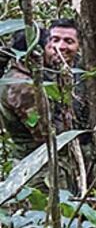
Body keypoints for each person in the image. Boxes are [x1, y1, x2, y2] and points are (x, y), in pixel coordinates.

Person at [1, 20, 80, 171]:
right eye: (50, 43)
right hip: (38, 168)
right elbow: (47, 134)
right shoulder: (22, 86)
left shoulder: (30, 75)